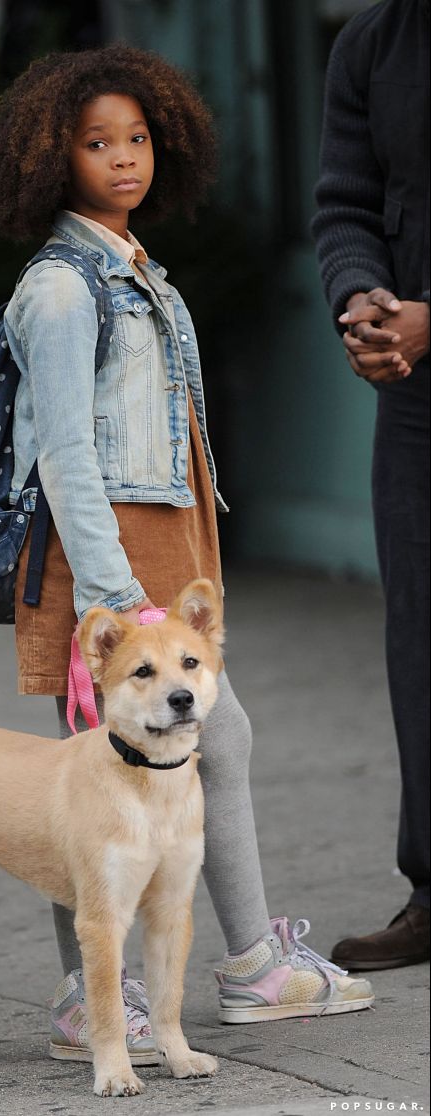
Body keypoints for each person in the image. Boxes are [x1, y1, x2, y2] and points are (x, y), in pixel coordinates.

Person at [0, 45, 374, 1058]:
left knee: (195, 749)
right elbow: (64, 451)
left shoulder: (129, 266)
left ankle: (221, 970)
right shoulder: (65, 289)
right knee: (110, 773)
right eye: (96, 142)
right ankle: (159, 985)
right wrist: (114, 607)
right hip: (108, 561)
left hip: (157, 542)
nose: (124, 159)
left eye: (138, 139)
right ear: (46, 156)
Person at [312, 0, 429, 969]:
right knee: (421, 637)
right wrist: (363, 300)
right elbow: (344, 202)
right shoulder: (368, 44)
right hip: (416, 395)